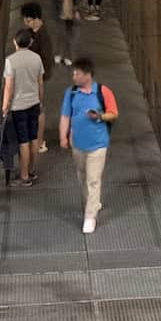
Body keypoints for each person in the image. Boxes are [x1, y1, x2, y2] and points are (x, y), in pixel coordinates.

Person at [58, 57, 119, 234]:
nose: (74, 76)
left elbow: (113, 113)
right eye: (74, 73)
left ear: (88, 75)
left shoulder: (103, 91)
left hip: (98, 144)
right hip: (77, 144)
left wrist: (99, 116)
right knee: (82, 175)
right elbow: (65, 116)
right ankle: (92, 202)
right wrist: (63, 136)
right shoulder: (70, 93)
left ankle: (90, 216)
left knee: (93, 180)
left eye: (77, 73)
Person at [0, 28, 46, 187]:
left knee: (23, 142)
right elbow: (40, 83)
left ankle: (24, 176)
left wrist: (5, 106)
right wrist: (40, 101)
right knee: (34, 139)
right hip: (34, 103)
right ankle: (32, 170)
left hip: (18, 106)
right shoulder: (37, 58)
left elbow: (9, 87)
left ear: (15, 42)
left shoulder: (11, 61)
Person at [21, 3, 54, 154]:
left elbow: (46, 60)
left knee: (38, 109)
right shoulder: (32, 32)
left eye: (28, 20)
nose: (25, 23)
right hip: (31, 77)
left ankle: (40, 141)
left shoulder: (43, 36)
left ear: (36, 19)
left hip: (37, 78)